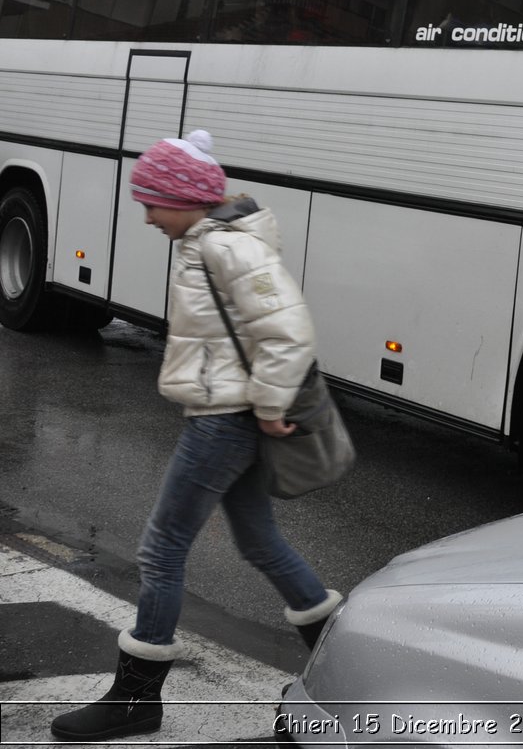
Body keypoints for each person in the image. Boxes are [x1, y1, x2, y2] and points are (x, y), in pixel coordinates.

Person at [52, 130, 341, 743]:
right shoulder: (205, 243)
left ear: (187, 197)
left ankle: (135, 698)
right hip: (226, 413)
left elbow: (289, 331)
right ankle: (340, 665)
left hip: (226, 420)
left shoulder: (227, 250)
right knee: (260, 541)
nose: (149, 215)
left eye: (154, 202)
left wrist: (265, 406)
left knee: (162, 551)